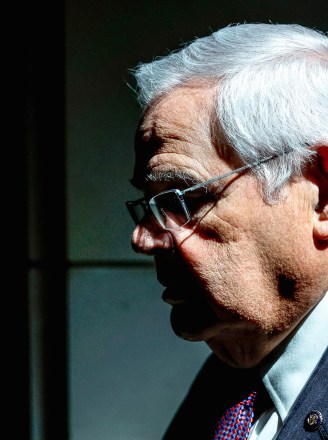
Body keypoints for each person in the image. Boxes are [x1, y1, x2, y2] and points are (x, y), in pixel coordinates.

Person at [125, 23, 327, 440]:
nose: (143, 238)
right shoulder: (230, 387)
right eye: (151, 203)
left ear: (322, 198)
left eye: (183, 199)